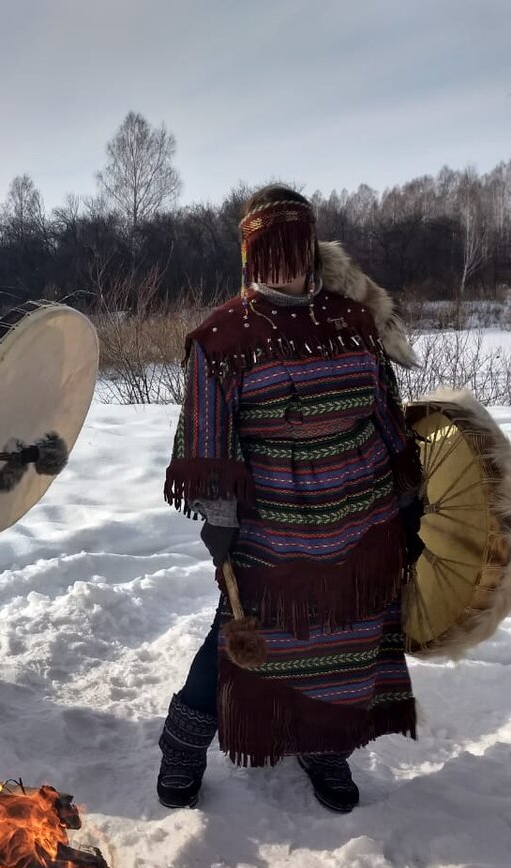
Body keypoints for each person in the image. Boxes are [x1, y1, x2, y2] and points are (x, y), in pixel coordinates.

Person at [158, 184, 421, 813]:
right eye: (266, 254)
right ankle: (184, 743)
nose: (281, 267)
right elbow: (207, 435)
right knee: (242, 638)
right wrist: (220, 521)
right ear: (249, 256)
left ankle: (324, 744)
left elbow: (386, 414)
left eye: (292, 251)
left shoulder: (352, 321)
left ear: (310, 250)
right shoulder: (219, 338)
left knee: (347, 641)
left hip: (364, 519)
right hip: (273, 530)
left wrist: (411, 496)